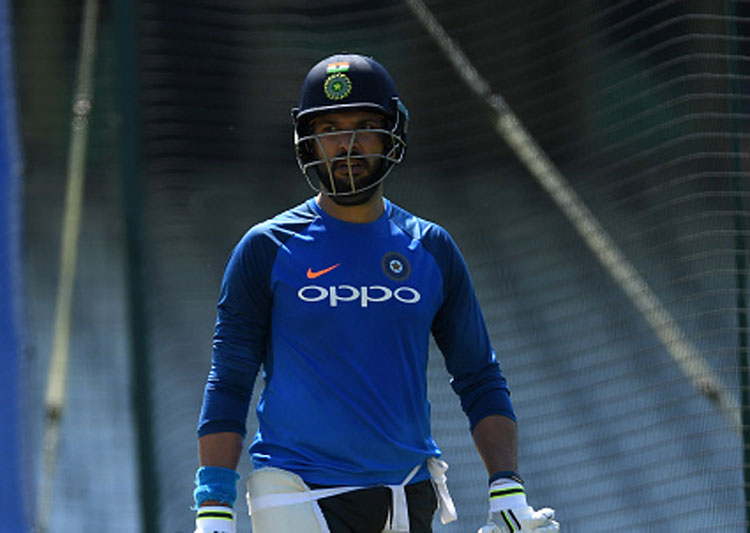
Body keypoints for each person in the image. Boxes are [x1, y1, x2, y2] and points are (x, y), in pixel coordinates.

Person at [192, 53, 559, 533]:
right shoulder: (265, 248)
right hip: (295, 493)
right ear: (308, 142)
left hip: (409, 493)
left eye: (365, 125)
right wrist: (213, 509)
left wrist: (507, 490)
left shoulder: (431, 247)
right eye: (330, 128)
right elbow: (230, 380)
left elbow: (480, 376)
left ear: (394, 133)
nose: (347, 144)